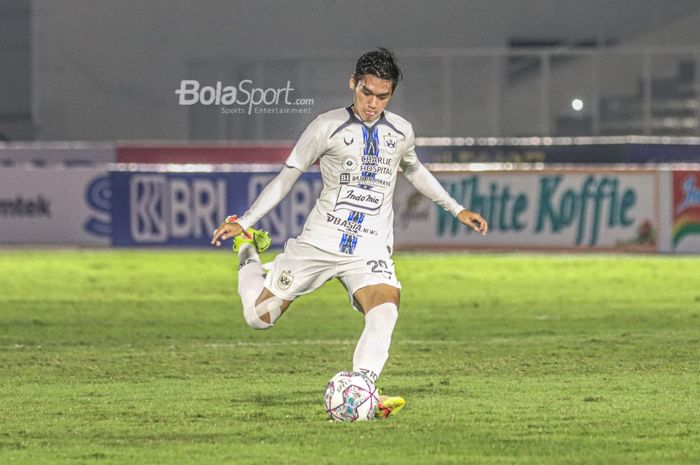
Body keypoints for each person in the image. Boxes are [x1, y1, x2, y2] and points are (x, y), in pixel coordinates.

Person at [211, 48, 488, 418]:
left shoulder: (401, 131)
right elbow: (286, 179)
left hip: (369, 245)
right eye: (366, 93)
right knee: (258, 317)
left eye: (382, 96)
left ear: (391, 94)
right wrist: (244, 222)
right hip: (322, 240)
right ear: (352, 84)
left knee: (386, 308)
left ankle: (363, 389)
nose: (373, 103)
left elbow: (414, 169)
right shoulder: (325, 127)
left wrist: (457, 208)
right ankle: (248, 251)